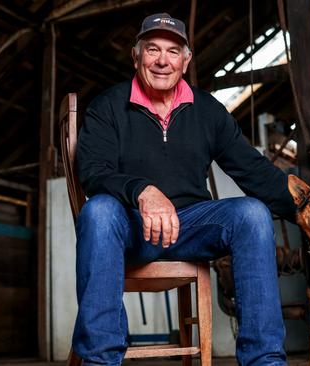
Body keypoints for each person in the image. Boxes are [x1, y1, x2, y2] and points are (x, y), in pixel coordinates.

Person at [73, 12, 296, 366]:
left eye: (173, 51)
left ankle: (264, 360)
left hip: (191, 226)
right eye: (152, 49)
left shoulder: (207, 110)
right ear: (136, 55)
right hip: (130, 226)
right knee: (98, 211)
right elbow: (93, 172)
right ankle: (100, 360)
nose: (162, 60)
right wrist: (143, 191)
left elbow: (254, 171)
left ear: (186, 59)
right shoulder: (108, 106)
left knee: (252, 214)